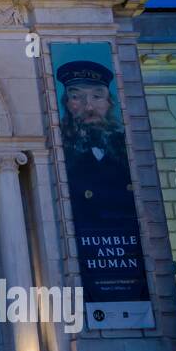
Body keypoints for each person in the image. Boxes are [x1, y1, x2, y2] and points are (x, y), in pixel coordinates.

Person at [56, 59, 138, 228]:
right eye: (76, 97)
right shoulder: (64, 153)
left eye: (97, 96)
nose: (89, 108)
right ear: (67, 104)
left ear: (110, 103)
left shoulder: (124, 149)